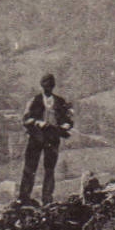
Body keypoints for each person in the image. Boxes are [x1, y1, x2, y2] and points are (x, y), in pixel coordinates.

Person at [18, 73, 73, 205]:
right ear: (41, 86)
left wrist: (66, 125)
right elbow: (26, 119)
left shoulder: (60, 102)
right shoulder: (34, 101)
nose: (47, 89)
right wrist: (38, 122)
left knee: (49, 169)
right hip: (36, 138)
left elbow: (68, 120)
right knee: (30, 168)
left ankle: (47, 199)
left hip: (52, 138)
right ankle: (24, 198)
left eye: (50, 87)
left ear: (53, 87)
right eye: (45, 87)